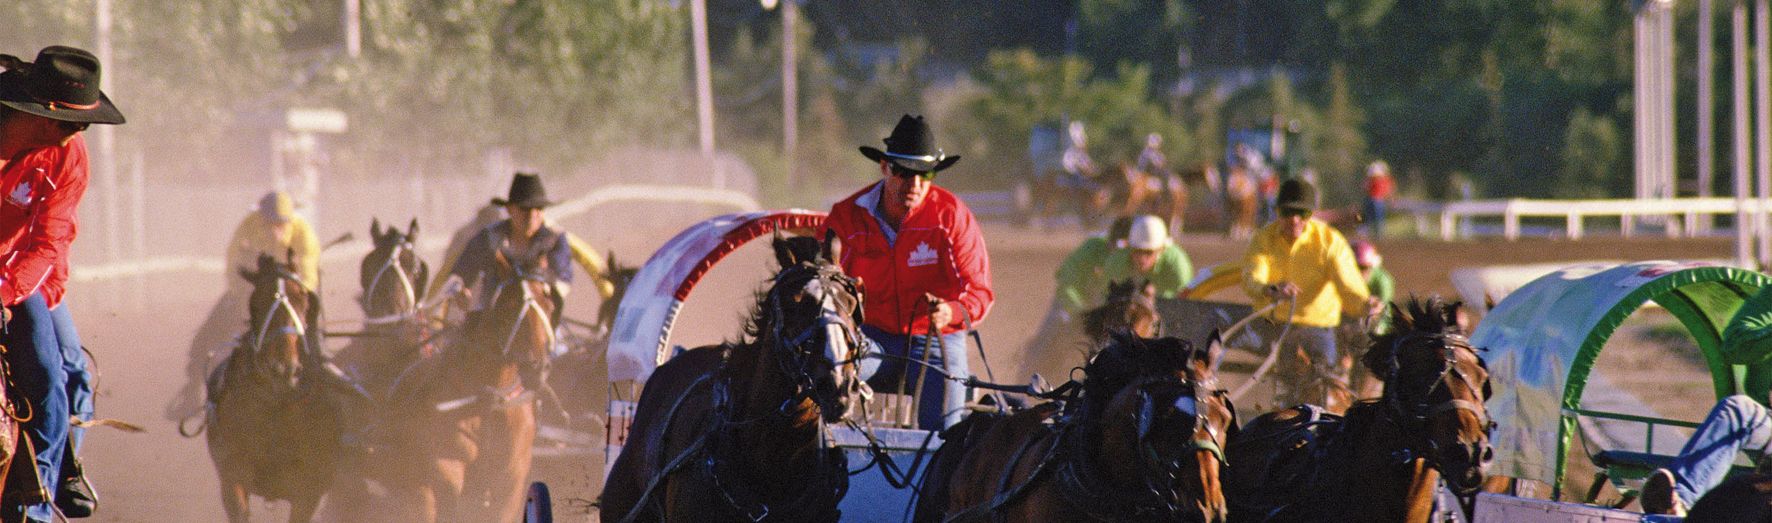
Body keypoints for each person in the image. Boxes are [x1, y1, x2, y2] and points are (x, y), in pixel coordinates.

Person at [0, 45, 126, 522]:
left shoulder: (68, 156)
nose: (80, 131)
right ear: (40, 113)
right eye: (73, 122)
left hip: (17, 274)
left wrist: (4, 293)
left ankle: (39, 499)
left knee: (56, 373)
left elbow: (49, 242)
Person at [825, 114, 992, 430]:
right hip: (869, 337)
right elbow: (823, 284)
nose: (914, 184)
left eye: (925, 174)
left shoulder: (952, 216)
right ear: (885, 168)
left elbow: (979, 291)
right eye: (903, 172)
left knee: (944, 433)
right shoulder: (846, 217)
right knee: (820, 375)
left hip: (936, 340)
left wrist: (950, 311)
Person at [169, 192, 321, 421]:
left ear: (289, 221)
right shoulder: (248, 226)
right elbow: (234, 264)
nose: (275, 230)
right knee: (206, 334)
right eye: (270, 223)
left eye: (280, 225)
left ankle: (322, 367)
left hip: (292, 294)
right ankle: (191, 393)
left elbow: (307, 279)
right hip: (253, 290)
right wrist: (243, 298)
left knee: (314, 329)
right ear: (261, 219)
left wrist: (291, 300)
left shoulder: (304, 234)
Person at [1241, 178, 1379, 408]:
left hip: (1317, 329)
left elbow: (1349, 285)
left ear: (1311, 214)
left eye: (1302, 213)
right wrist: (1271, 289)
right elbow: (1252, 275)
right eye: (1287, 212)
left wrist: (1366, 304)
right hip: (1272, 326)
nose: (1294, 220)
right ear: (1278, 212)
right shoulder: (1263, 239)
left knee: (1325, 386)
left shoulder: (1330, 242)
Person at [446, 173, 574, 313]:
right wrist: (461, 289)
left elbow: (563, 279)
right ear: (510, 209)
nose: (531, 216)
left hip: (542, 310)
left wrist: (545, 284)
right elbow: (461, 272)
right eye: (524, 209)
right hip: (491, 310)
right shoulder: (489, 237)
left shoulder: (555, 239)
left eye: (538, 208)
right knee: (470, 323)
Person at [1099, 215, 1193, 302]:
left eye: (1149, 252)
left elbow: (1185, 305)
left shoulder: (1178, 267)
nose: (1142, 258)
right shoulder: (1116, 263)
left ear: (1161, 250)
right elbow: (1104, 300)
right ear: (1130, 248)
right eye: (1137, 251)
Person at [1363, 160, 1395, 239]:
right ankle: (1376, 234)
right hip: (1375, 200)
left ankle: (1377, 234)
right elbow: (1389, 190)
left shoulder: (1381, 180)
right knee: (1375, 218)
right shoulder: (1378, 179)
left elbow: (1365, 188)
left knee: (1375, 218)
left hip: (1376, 200)